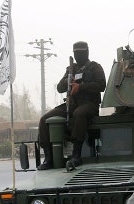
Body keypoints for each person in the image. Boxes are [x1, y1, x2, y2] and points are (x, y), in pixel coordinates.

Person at [38, 41, 106, 170]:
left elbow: (102, 85)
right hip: (72, 104)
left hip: (89, 104)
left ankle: (76, 154)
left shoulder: (95, 67)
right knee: (44, 119)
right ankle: (48, 158)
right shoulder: (71, 69)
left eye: (81, 52)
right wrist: (67, 81)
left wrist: (81, 87)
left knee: (79, 114)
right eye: (76, 53)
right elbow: (59, 88)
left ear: (87, 53)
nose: (78, 55)